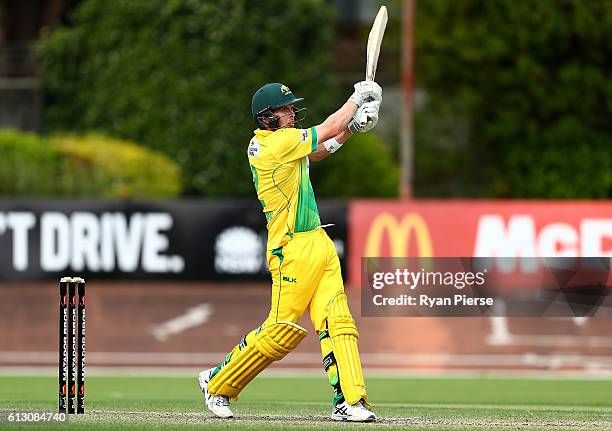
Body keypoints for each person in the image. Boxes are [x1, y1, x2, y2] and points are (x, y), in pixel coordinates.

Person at [198, 81, 382, 422]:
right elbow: (326, 127)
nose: (292, 113)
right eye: (285, 110)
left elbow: (316, 152)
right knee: (280, 329)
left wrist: (351, 130)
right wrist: (356, 100)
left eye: (292, 108)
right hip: (290, 247)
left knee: (337, 322)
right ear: (267, 118)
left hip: (317, 241)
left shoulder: (286, 143)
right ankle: (217, 382)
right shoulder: (272, 143)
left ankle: (350, 402)